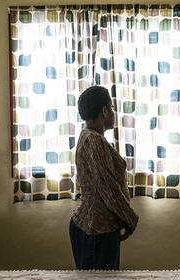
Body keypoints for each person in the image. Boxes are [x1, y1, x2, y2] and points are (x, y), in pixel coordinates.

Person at [69, 86, 139, 270]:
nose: (114, 112)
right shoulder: (95, 141)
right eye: (112, 108)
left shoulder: (87, 136)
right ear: (105, 111)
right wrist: (130, 220)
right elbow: (109, 190)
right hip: (97, 232)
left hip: (94, 228)